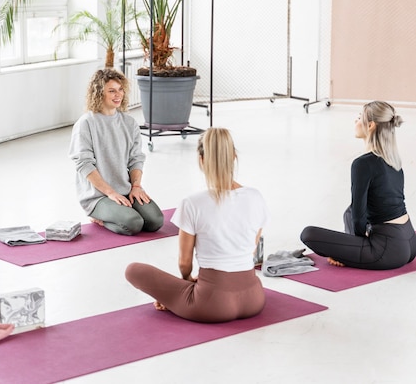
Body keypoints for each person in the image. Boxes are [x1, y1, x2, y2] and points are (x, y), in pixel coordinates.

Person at [125, 128, 268, 323]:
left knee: (133, 270)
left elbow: (185, 263)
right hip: (254, 298)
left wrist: (183, 286)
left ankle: (177, 299)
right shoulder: (256, 197)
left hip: (212, 304)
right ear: (234, 157)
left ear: (201, 160)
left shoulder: (193, 203)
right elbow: (252, 250)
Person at [301, 101, 416, 270]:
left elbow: (358, 216)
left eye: (359, 118)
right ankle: (356, 249)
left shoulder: (362, 164)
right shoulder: (394, 161)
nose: (355, 122)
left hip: (387, 251)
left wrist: (348, 251)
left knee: (308, 234)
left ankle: (354, 251)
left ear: (370, 125)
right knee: (348, 211)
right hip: (410, 243)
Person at [69, 68, 164, 235]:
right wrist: (110, 192)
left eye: (120, 90)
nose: (118, 95)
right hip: (98, 196)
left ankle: (119, 211)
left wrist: (136, 186)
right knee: (134, 224)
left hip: (126, 190)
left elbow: (136, 158)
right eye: (111, 91)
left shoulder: (129, 122)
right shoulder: (86, 123)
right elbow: (84, 164)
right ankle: (99, 218)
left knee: (155, 221)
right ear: (99, 94)